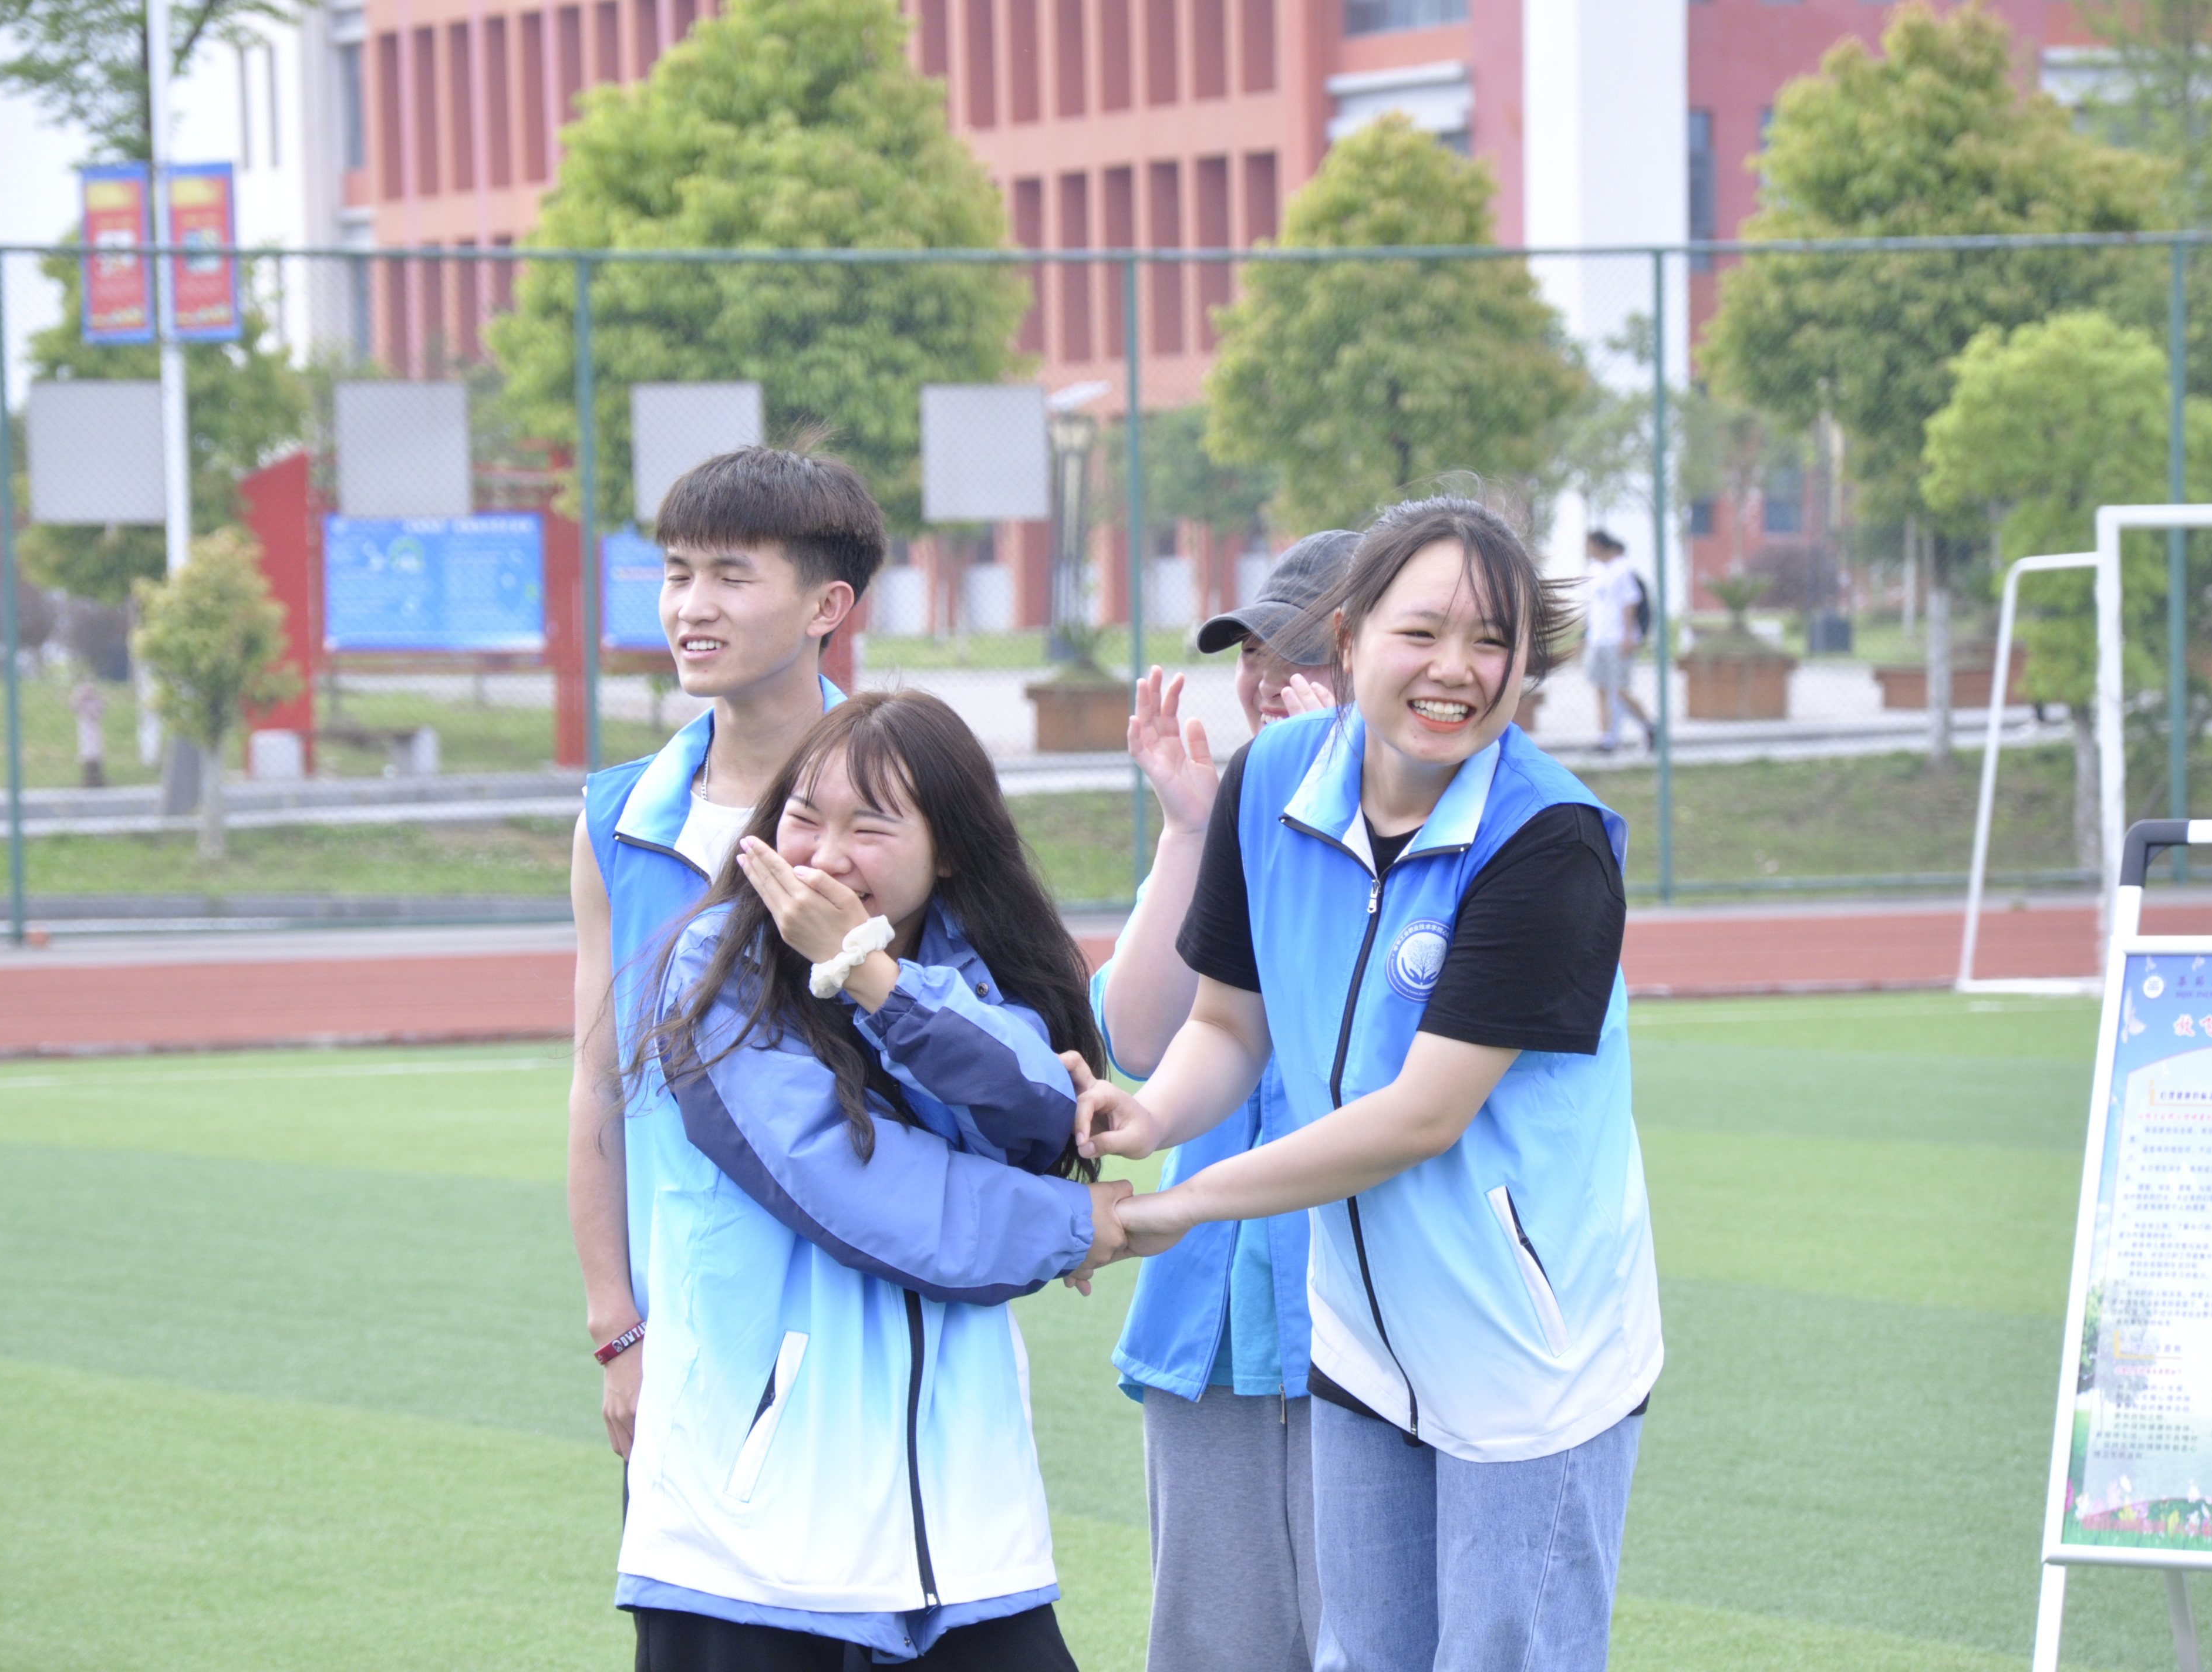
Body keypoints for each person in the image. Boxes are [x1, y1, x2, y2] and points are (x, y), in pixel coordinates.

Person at [1071, 497, 1659, 1672]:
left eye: (1490, 640)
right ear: (1348, 638)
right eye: (1421, 631)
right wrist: (1154, 1111)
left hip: (1526, 1352)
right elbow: (1228, 1022)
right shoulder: (1270, 779)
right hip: (1361, 1343)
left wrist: (1178, 1203)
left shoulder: (1548, 839)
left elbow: (1419, 1115)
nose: (1455, 668)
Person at [621, 689, 1132, 1669]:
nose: (825, 853)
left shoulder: (976, 980)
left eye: (870, 825)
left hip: (963, 1529)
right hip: (756, 1537)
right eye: (804, 816)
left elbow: (1035, 1113)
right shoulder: (718, 968)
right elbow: (854, 1189)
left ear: (949, 850)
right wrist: (1076, 1223)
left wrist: (869, 972)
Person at [569, 444, 880, 1472]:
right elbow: (599, 1080)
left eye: (731, 575)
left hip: (866, 1312)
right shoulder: (617, 817)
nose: (691, 607)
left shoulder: (907, 800)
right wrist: (617, 1326)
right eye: (676, 572)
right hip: (683, 1332)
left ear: (826, 605)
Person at [1094, 531, 1352, 1672]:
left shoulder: (1436, 829)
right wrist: (1188, 829)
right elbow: (1138, 1037)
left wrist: (1329, 800)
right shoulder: (1233, 816)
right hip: (1206, 1323)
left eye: (1298, 655)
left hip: (1360, 1317)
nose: (1263, 679)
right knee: (1210, 1647)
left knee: (1370, 1640)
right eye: (1250, 653)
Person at [1582, 529, 1655, 753]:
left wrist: (1628, 635)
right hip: (1598, 639)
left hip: (1617, 639)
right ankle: (1607, 740)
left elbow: (1629, 603)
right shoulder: (1594, 570)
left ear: (1598, 545)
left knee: (1620, 690)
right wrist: (1585, 636)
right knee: (1601, 690)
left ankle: (1649, 726)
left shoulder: (1622, 569)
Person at [70, 677, 106, 788]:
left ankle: (97, 778)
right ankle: (88, 779)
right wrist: (80, 697)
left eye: (91, 690)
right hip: (85, 729)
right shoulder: (82, 702)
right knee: (87, 751)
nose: (89, 693)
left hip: (94, 730)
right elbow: (74, 707)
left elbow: (100, 710)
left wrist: (95, 712)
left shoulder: (95, 701)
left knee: (95, 750)